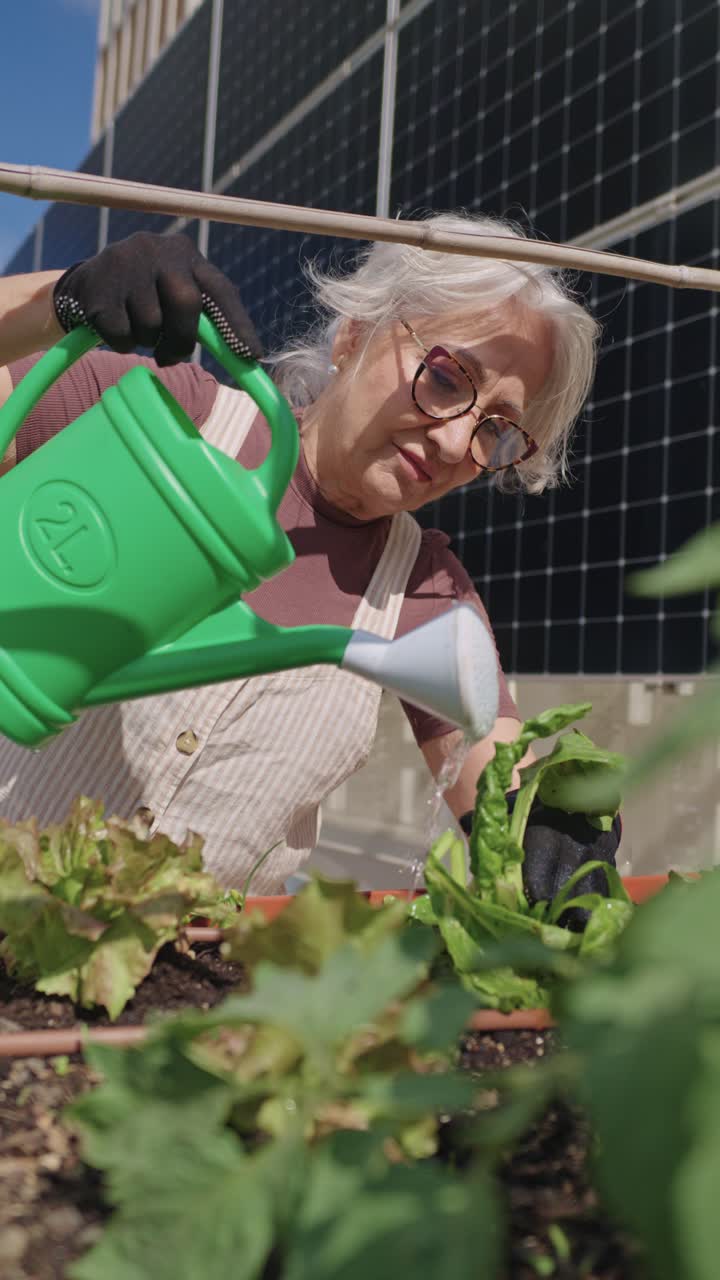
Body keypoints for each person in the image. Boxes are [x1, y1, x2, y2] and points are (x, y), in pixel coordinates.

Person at [0, 213, 620, 910]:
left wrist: (552, 825)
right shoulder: (151, 422)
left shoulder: (424, 591)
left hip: (193, 998)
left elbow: (503, 783)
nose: (454, 443)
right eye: (446, 377)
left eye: (497, 431)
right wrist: (60, 301)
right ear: (354, 338)